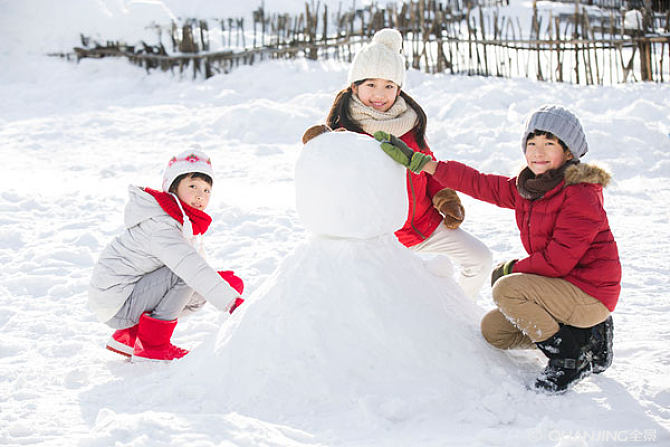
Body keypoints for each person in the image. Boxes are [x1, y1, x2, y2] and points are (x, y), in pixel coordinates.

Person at [375, 104, 620, 393]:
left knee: (508, 288)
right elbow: (479, 183)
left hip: (590, 292)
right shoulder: (532, 187)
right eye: (532, 143)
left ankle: (569, 358)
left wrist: (511, 269)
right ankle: (587, 338)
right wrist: (424, 164)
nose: (537, 152)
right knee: (495, 331)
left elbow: (558, 262)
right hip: (560, 288)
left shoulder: (579, 195)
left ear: (569, 153)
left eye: (549, 144)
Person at [325, 28, 492, 299]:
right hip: (377, 238)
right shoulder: (346, 132)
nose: (380, 94)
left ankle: (459, 313)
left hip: (423, 224)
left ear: (399, 88)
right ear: (354, 86)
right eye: (371, 85)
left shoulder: (408, 121)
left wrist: (443, 196)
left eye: (389, 86)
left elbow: (428, 164)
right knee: (387, 297)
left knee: (480, 259)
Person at [88, 150, 245, 362]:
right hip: (117, 302)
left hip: (126, 297)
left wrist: (222, 287)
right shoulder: (161, 226)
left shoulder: (179, 222)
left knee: (204, 284)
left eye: (207, 190)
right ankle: (152, 345)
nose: (200, 195)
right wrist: (232, 303)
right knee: (184, 275)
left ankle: (130, 337)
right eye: (193, 186)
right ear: (173, 187)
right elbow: (188, 267)